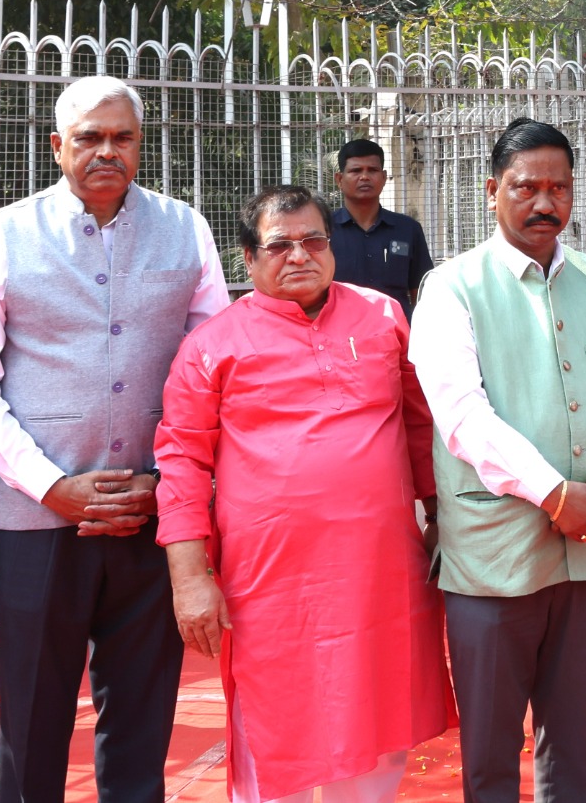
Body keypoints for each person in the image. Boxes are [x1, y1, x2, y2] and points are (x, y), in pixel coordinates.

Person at [0, 74, 231, 803]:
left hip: (152, 514)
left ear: (141, 144)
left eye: (122, 138)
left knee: (142, 714)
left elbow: (213, 367)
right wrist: (50, 485)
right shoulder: (3, 235)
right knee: (33, 714)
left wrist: (169, 482)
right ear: (57, 146)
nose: (107, 151)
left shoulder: (185, 226)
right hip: (39, 518)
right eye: (89, 138)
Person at [156, 184, 450, 803]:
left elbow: (422, 425)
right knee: (275, 725)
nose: (300, 255)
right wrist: (189, 578)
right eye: (279, 245)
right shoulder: (210, 346)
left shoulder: (383, 317)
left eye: (314, 240)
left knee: (379, 716)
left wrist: (443, 518)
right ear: (248, 258)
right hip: (271, 582)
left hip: (379, 570)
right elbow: (181, 460)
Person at [407, 118, 586, 803]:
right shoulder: (450, 288)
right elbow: (462, 415)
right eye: (525, 188)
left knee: (574, 733)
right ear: (492, 191)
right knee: (491, 745)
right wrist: (555, 494)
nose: (544, 203)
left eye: (559, 188)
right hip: (493, 550)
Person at [327, 137, 435, 312]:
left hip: (396, 327)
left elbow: (421, 293)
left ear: (384, 177)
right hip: (340, 327)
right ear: (339, 179)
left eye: (372, 170)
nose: (364, 177)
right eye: (356, 170)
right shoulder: (323, 231)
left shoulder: (408, 229)